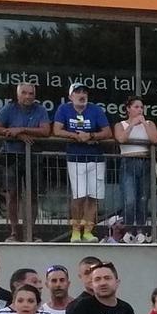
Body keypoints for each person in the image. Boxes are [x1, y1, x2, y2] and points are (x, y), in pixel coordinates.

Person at [0, 81, 54, 242]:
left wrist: (21, 129)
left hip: (32, 156)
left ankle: (30, 232)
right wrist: (17, 135)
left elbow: (46, 131)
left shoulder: (40, 109)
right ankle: (14, 232)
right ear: (18, 95)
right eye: (24, 93)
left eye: (31, 93)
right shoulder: (9, 108)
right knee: (12, 195)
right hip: (11, 156)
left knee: (32, 196)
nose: (28, 96)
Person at [53, 83, 112, 243]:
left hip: (96, 158)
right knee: (78, 196)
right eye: (78, 92)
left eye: (84, 92)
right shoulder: (64, 109)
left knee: (93, 196)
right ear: (71, 96)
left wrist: (91, 135)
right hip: (75, 158)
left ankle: (88, 231)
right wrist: (75, 136)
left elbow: (107, 131)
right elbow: (57, 130)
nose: (82, 95)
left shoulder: (96, 110)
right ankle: (75, 231)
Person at [113, 97, 157, 243]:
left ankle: (141, 230)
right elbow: (121, 139)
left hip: (145, 161)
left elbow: (155, 139)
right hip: (128, 161)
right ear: (128, 108)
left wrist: (144, 123)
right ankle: (128, 229)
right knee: (130, 199)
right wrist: (131, 125)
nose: (139, 110)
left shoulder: (150, 123)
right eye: (136, 107)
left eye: (141, 107)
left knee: (143, 198)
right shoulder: (120, 124)